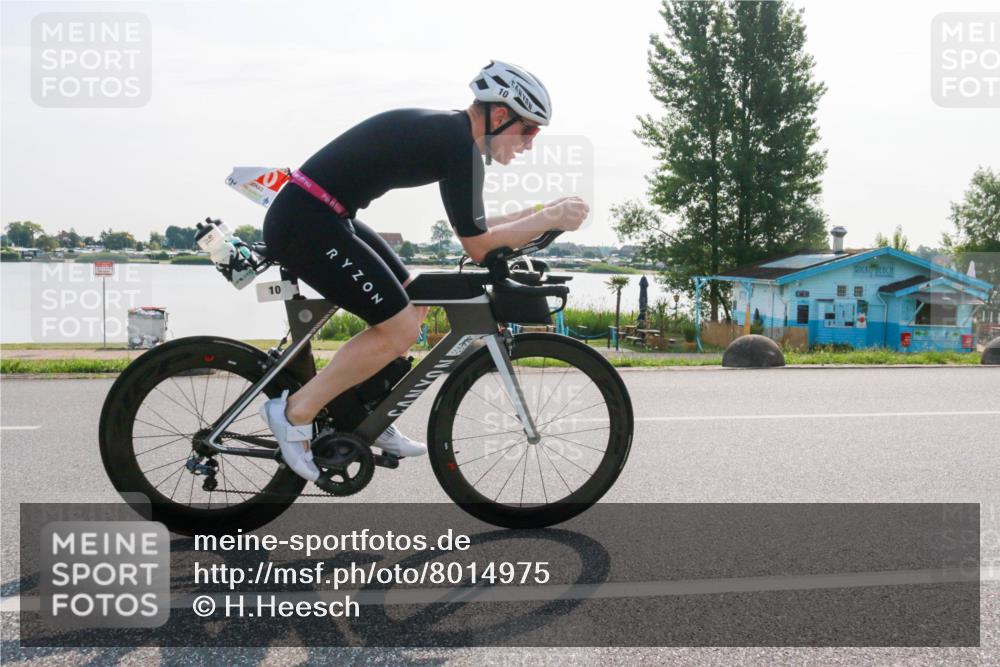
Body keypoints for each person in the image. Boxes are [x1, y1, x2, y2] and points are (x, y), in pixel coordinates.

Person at [259, 60, 590, 483]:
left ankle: (360, 413)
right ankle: (294, 412)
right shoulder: (458, 145)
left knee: (412, 306)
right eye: (529, 131)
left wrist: (546, 212)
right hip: (306, 221)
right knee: (398, 331)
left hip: (324, 214)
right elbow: (478, 248)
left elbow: (479, 229)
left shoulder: (454, 137)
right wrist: (551, 217)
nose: (529, 144)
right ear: (501, 115)